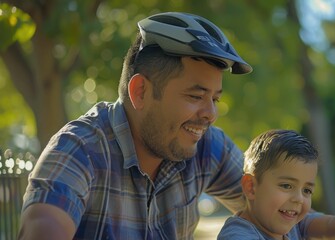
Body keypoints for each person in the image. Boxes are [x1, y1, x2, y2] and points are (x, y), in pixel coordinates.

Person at [18, 12, 252, 239]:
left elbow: (277, 209)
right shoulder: (79, 150)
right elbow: (45, 226)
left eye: (215, 99)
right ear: (140, 92)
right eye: (195, 96)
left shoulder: (206, 145)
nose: (211, 114)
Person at [217, 129, 335, 240]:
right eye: (286, 186)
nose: (299, 199)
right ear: (251, 187)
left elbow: (329, 224)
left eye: (307, 190)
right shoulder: (237, 235)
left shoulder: (293, 224)